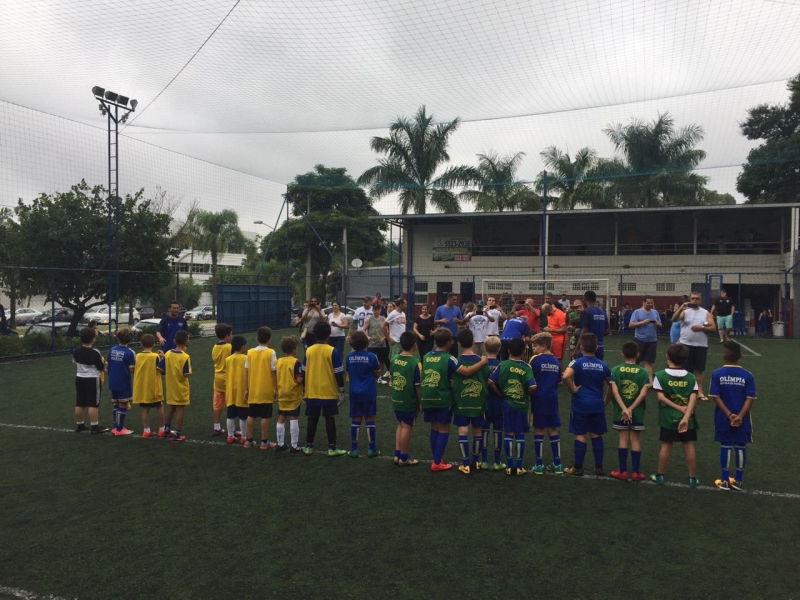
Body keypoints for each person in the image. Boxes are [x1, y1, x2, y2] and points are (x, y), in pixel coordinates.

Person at [420, 328, 487, 472]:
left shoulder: (426, 356)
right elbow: (466, 372)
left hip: (426, 396)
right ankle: (437, 462)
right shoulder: (450, 358)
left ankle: (436, 458)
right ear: (449, 343)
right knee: (443, 428)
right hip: (442, 397)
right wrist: (482, 362)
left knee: (434, 427)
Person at [650, 343, 700, 488]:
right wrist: (685, 416)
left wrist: (677, 407)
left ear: (667, 356)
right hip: (687, 418)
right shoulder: (691, 377)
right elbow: (693, 399)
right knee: (688, 445)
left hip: (668, 417)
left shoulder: (660, 375)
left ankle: (660, 476)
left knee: (666, 444)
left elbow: (661, 397)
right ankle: (691, 478)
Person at [562, 333, 611, 477]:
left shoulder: (577, 362)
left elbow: (565, 376)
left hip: (580, 404)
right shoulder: (603, 365)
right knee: (596, 434)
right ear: (596, 347)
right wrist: (605, 401)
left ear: (581, 347)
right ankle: (599, 467)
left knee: (579, 434)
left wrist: (573, 389)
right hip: (597, 404)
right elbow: (612, 385)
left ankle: (578, 468)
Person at [710, 341, 756, 491]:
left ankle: (724, 480)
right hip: (742, 419)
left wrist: (729, 415)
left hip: (723, 417)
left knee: (725, 445)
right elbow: (750, 398)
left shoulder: (717, 374)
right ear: (740, 356)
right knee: (740, 445)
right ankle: (738, 480)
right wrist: (740, 416)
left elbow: (715, 396)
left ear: (724, 355)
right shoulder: (747, 375)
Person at [487, 337, 536, 476]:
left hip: (507, 403)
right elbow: (533, 386)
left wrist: (500, 393)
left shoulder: (503, 365)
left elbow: (490, 381)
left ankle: (509, 466)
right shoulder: (526, 367)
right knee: (519, 434)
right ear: (523, 351)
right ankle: (518, 466)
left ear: (508, 351)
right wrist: (527, 393)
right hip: (521, 404)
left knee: (508, 432)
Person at [302, 321, 347, 456]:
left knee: (312, 418)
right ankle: (332, 448)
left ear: (315, 334)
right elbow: (338, 372)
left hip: (312, 390)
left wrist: (303, 389)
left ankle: (308, 446)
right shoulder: (332, 351)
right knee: (329, 418)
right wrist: (341, 390)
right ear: (329, 334)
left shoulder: (309, 350)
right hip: (328, 391)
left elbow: (303, 371)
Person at [608, 341, 651, 482]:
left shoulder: (615, 370)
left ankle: (622, 471)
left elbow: (614, 391)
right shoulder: (643, 371)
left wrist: (624, 409)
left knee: (623, 438)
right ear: (637, 354)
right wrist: (631, 409)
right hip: (637, 411)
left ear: (622, 354)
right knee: (635, 439)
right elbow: (643, 394)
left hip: (620, 411)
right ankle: (636, 472)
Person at [452, 329, 489, 475]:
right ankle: (476, 461)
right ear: (473, 342)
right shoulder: (482, 361)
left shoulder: (456, 361)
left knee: (463, 429)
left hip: (461, 400)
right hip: (478, 400)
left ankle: (465, 463)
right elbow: (487, 378)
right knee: (477, 430)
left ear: (459, 343)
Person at [529, 332, 563, 475]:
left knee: (538, 429)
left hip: (538, 398)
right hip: (552, 398)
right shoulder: (556, 361)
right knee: (552, 428)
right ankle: (558, 463)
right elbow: (559, 380)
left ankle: (539, 464)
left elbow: (530, 378)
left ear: (543, 346)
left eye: (535, 346)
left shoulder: (535, 360)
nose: (533, 349)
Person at [672, 292, 716, 401]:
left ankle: (699, 392)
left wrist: (702, 328)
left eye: (697, 298)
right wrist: (681, 308)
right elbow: (674, 319)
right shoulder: (685, 312)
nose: (695, 300)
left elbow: (713, 328)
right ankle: (685, 391)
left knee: (699, 370)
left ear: (700, 300)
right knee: (685, 370)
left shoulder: (705, 313)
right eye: (693, 298)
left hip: (701, 345)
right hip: (685, 345)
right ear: (689, 300)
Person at [345, 331, 382, 458]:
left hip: (354, 392)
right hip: (369, 391)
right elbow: (378, 373)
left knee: (356, 418)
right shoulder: (371, 356)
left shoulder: (349, 357)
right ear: (366, 342)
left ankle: (354, 449)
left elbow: (349, 372)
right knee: (370, 418)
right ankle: (371, 449)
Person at [243, 327, 278, 450]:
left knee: (251, 414)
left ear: (256, 338)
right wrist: (276, 389)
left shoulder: (250, 352)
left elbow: (246, 372)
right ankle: (264, 442)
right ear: (269, 339)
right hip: (266, 389)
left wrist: (246, 389)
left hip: (253, 389)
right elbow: (274, 372)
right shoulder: (271, 352)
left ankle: (248, 440)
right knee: (265, 416)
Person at [390, 331, 421, 466]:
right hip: (408, 400)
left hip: (396, 398)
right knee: (407, 427)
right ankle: (404, 457)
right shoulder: (415, 363)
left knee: (400, 424)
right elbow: (417, 386)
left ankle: (397, 455)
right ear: (415, 345)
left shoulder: (394, 359)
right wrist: (420, 402)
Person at [72, 326, 109, 435]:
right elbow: (101, 367)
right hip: (92, 379)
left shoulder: (76, 351)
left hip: (79, 378)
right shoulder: (95, 352)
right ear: (93, 338)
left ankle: (80, 425)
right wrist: (106, 364)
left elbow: (75, 363)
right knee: (93, 404)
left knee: (80, 403)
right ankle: (94, 426)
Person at [157, 329, 192, 443]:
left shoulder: (167, 353)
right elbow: (186, 374)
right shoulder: (185, 357)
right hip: (181, 387)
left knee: (172, 408)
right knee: (180, 409)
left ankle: (166, 430)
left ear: (174, 341)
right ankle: (177, 434)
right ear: (187, 341)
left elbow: (160, 368)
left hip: (170, 387)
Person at [480, 335, 506, 471]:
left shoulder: (481, 364)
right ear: (499, 348)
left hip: (484, 402)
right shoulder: (502, 365)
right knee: (497, 431)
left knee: (483, 431)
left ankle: (484, 460)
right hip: (498, 403)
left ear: (485, 348)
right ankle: (496, 461)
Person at [132, 333, 165, 438]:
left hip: (142, 387)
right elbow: (161, 369)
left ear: (141, 344)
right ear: (154, 344)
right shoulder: (155, 356)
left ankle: (146, 430)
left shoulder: (137, 356)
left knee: (145, 408)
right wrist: (163, 357)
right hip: (153, 387)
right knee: (159, 406)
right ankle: (162, 429)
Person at [275, 336, 304, 453]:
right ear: (294, 348)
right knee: (293, 417)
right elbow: (299, 379)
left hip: (282, 393)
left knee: (282, 417)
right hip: (293, 395)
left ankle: (280, 443)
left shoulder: (278, 361)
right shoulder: (296, 362)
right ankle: (294, 445)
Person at [106, 328, 136, 436]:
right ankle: (119, 429)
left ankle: (115, 426)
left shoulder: (112, 349)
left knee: (116, 403)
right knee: (123, 403)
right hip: (123, 381)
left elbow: (107, 365)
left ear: (117, 338)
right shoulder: (130, 352)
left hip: (112, 380)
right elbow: (132, 369)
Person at [629, 297, 662, 381]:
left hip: (652, 341)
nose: (650, 304)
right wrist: (642, 322)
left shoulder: (655, 312)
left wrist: (658, 324)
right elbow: (631, 325)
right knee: (636, 360)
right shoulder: (637, 312)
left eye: (651, 303)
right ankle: (633, 379)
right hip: (639, 340)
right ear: (643, 302)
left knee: (649, 362)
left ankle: (649, 381)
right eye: (648, 303)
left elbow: (660, 324)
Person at [224, 335, 249, 445]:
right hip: (242, 390)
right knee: (243, 415)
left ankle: (230, 436)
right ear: (243, 347)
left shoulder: (228, 359)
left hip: (230, 391)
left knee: (230, 414)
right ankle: (244, 436)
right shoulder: (246, 358)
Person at [210, 323, 233, 436]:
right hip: (228, 378)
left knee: (217, 404)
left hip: (217, 378)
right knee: (231, 404)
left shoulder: (214, 347)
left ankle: (217, 427)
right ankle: (231, 429)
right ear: (227, 335)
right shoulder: (229, 347)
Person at [576, 290, 610, 360]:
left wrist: (576, 348)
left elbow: (584, 331)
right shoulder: (603, 312)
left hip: (587, 346)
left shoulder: (585, 312)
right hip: (600, 346)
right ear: (595, 299)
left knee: (585, 365)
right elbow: (607, 331)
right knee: (598, 365)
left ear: (584, 299)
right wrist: (597, 335)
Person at [362, 303, 388, 384]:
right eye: (375, 310)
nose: (376, 311)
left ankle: (380, 377)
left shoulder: (383, 319)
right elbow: (363, 330)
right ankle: (369, 376)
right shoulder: (369, 319)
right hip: (371, 344)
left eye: (378, 310)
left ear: (380, 310)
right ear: (372, 310)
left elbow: (387, 331)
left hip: (381, 344)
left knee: (381, 361)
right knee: (370, 361)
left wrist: (384, 338)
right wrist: (367, 337)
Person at [434, 292, 463, 357]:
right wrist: (441, 320)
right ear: (449, 299)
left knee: (454, 354)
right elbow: (435, 321)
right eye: (454, 299)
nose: (455, 301)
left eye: (456, 299)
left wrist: (458, 320)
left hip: (454, 335)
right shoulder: (440, 309)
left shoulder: (457, 309)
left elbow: (461, 322)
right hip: (443, 335)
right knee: (442, 354)